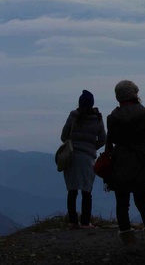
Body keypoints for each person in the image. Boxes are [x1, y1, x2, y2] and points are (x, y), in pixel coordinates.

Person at [106, 80, 145, 247]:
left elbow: (112, 140)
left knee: (122, 203)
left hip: (120, 161)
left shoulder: (112, 117)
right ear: (135, 93)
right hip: (142, 161)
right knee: (142, 201)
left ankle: (128, 240)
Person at [61, 89, 106, 230]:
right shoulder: (97, 118)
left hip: (72, 157)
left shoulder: (73, 116)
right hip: (88, 158)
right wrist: (92, 147)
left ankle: (73, 222)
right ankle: (86, 222)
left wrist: (73, 144)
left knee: (72, 190)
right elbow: (103, 139)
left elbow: (64, 136)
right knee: (87, 191)